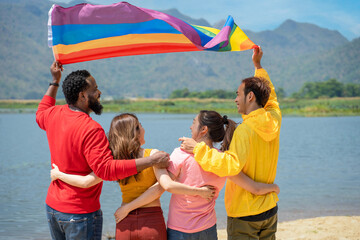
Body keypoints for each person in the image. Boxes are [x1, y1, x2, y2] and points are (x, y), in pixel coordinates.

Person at [36, 62, 169, 240]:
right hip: (80, 213)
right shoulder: (91, 128)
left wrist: (54, 81)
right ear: (83, 95)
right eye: (95, 89)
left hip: (53, 208)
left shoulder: (53, 115)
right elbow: (105, 170)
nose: (99, 93)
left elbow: (40, 113)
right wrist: (151, 161)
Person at [113, 110, 280, 240]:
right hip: (208, 229)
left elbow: (162, 187)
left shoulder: (181, 154)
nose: (190, 127)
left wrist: (127, 208)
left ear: (203, 130)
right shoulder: (222, 161)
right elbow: (254, 188)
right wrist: (273, 188)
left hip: (180, 230)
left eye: (193, 123)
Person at [50, 113, 216, 240]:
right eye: (140, 126)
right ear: (135, 133)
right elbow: (161, 188)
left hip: (124, 222)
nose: (144, 129)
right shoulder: (154, 155)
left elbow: (86, 182)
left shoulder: (114, 162)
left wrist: (59, 174)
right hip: (151, 222)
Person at [180, 46, 282, 240]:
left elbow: (229, 166)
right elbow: (272, 100)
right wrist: (258, 66)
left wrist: (198, 148)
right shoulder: (274, 120)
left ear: (250, 96)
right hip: (269, 209)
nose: (235, 99)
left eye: (238, 94)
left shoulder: (245, 130)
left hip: (245, 214)